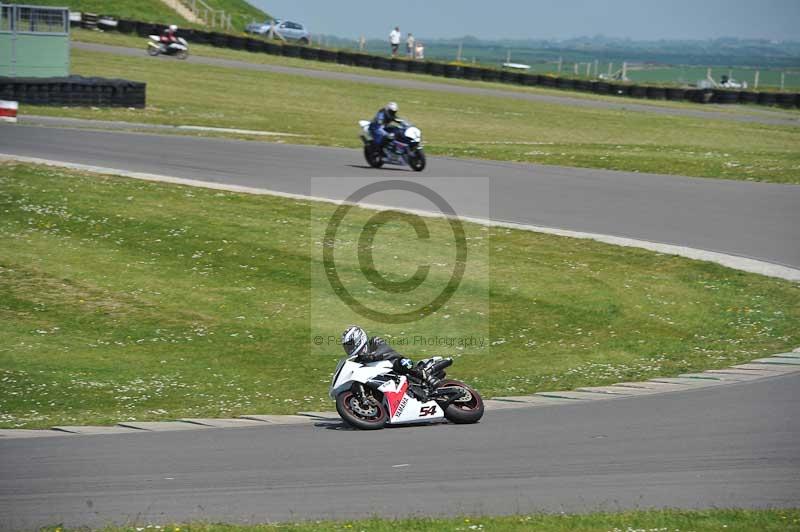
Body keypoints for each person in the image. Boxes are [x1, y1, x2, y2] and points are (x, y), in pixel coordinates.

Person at [341, 326, 440, 389]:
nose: (349, 348)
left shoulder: (374, 342)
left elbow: (384, 349)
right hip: (383, 377)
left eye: (350, 345)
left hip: (394, 364)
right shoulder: (358, 359)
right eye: (347, 346)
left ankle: (428, 378)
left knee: (404, 362)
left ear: (359, 339)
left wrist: (373, 355)